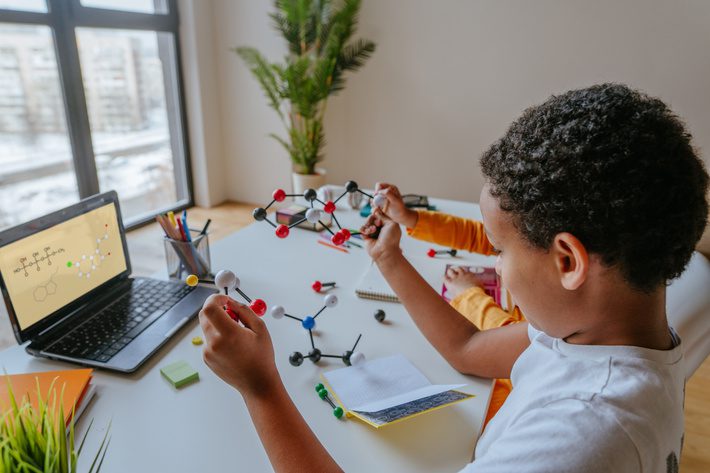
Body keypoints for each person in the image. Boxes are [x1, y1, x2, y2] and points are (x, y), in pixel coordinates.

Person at [198, 83, 708, 471]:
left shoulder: (585, 433)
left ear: (568, 262)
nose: (496, 264)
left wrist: (261, 388)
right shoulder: (590, 332)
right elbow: (467, 348)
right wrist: (390, 260)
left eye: (500, 250)